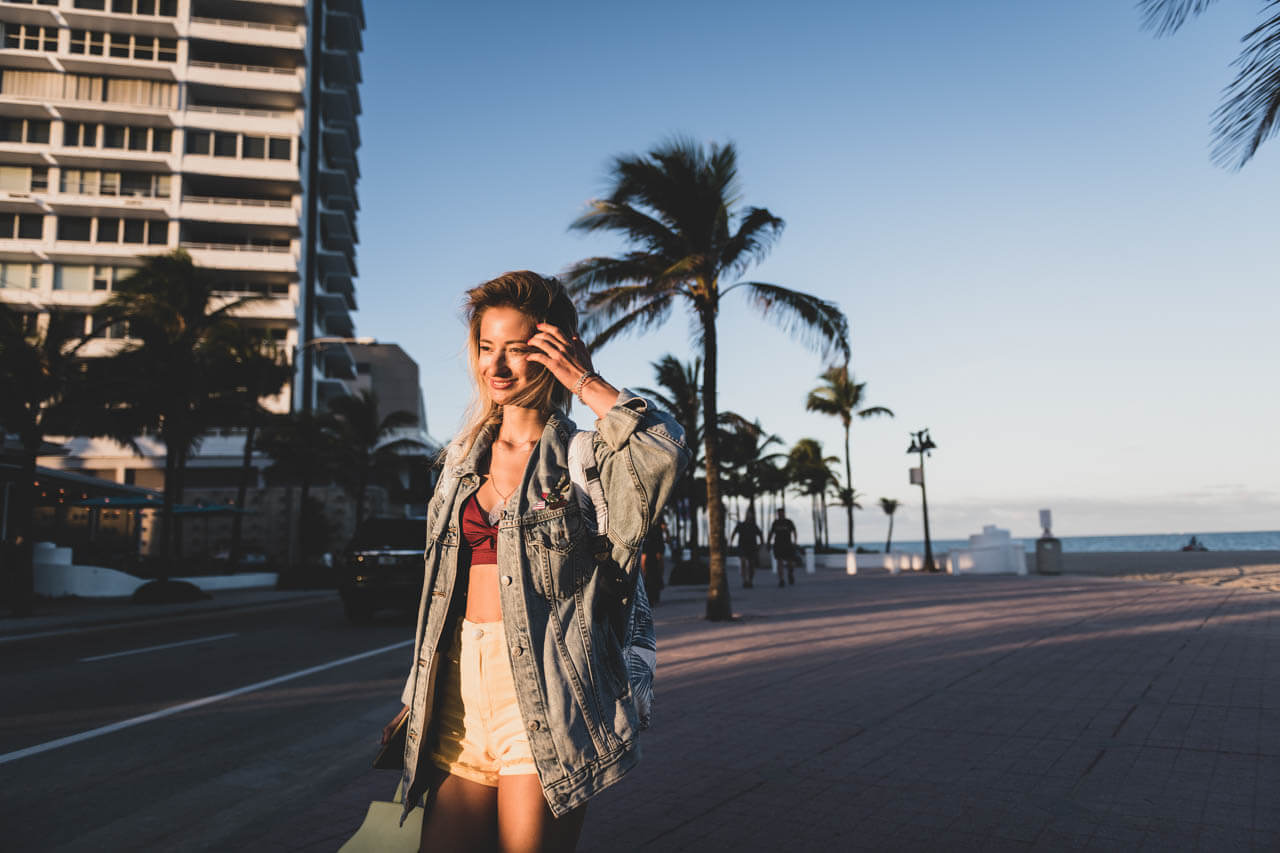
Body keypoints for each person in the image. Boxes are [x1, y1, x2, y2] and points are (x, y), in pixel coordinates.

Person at [382, 271, 689, 853]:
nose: (497, 367)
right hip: (457, 695)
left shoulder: (584, 459)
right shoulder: (457, 463)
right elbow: (437, 592)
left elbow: (662, 451)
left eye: (518, 351)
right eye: (486, 348)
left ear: (554, 350)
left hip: (547, 692)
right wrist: (413, 696)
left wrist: (585, 378)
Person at [730, 510, 763, 588]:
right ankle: (745, 580)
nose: (748, 516)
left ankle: (750, 581)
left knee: (751, 564)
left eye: (750, 515)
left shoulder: (754, 525)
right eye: (747, 514)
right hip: (742, 546)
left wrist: (761, 545)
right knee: (743, 562)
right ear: (745, 515)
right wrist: (731, 543)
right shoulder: (741, 525)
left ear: (751, 516)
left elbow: (760, 535)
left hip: (752, 547)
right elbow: (734, 533)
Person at [767, 508, 800, 587]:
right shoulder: (775, 523)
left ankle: (790, 573)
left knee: (790, 563)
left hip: (788, 545)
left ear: (784, 513)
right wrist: (768, 542)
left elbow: (794, 531)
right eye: (779, 513)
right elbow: (771, 533)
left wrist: (795, 541)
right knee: (779, 562)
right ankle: (781, 580)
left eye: (782, 513)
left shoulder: (789, 522)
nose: (780, 515)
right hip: (778, 545)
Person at [640, 520, 666, 605]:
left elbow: (663, 527)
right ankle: (651, 592)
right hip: (649, 543)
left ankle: (656, 587)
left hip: (654, 543)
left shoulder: (657, 516)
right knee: (648, 568)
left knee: (657, 566)